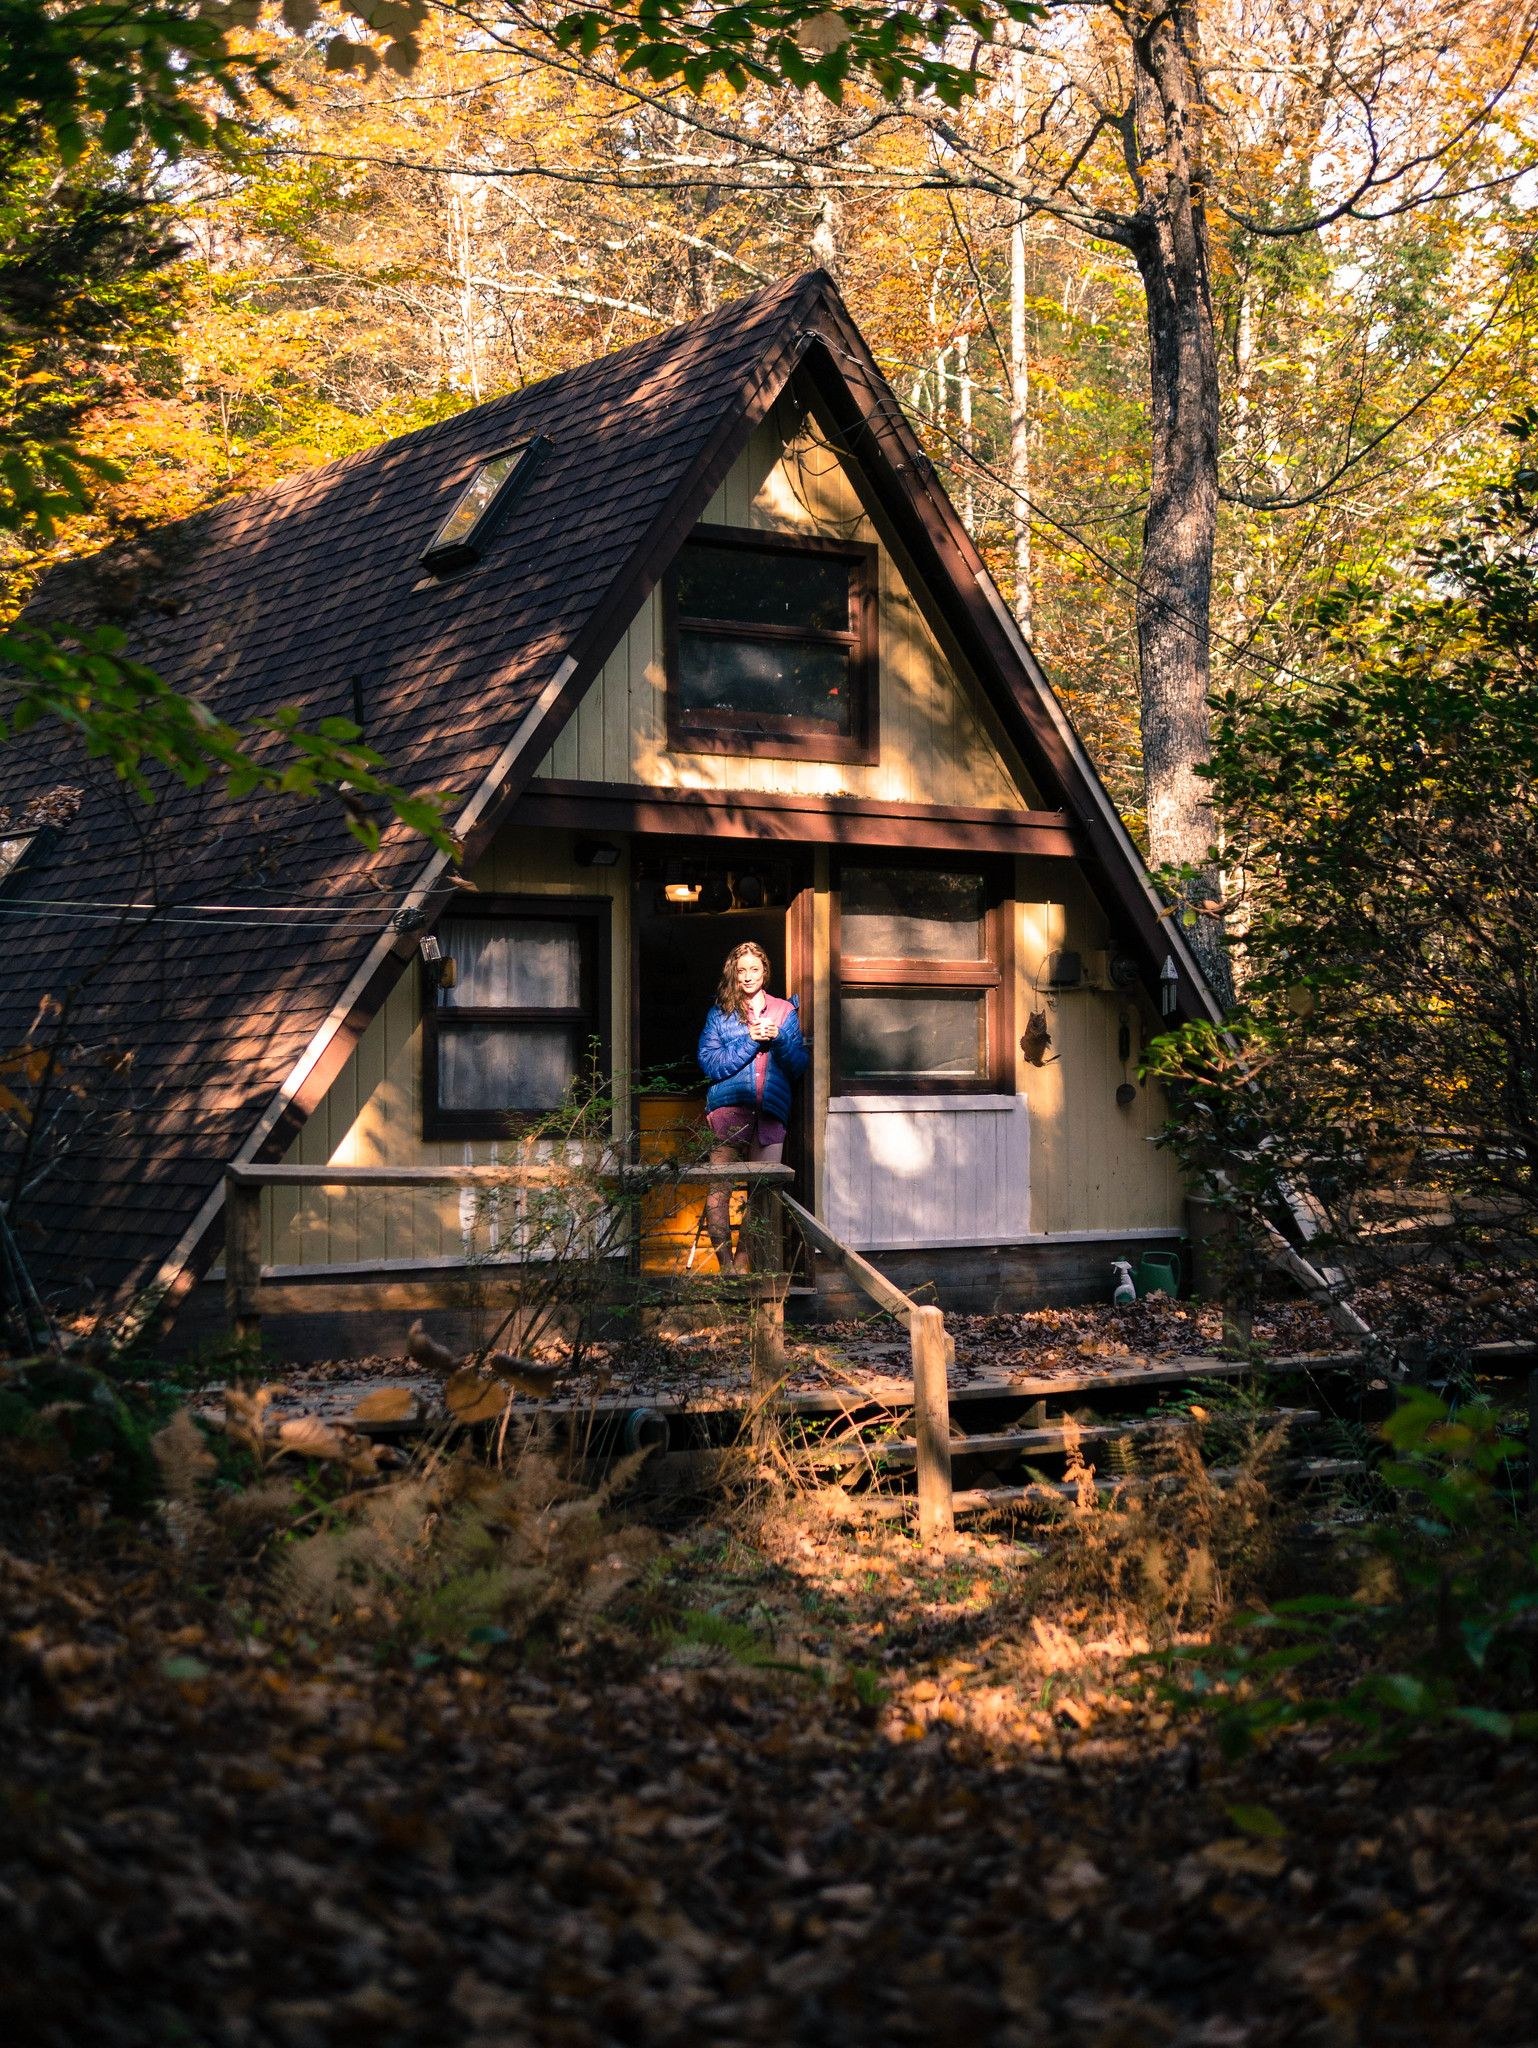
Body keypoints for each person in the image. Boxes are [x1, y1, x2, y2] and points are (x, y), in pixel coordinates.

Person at [696, 941, 808, 1273]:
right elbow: (710, 1064)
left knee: (762, 1195)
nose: (748, 976)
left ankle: (743, 1266)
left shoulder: (784, 1012)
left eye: (754, 969)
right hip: (729, 1113)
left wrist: (781, 1040)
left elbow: (798, 1065)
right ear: (734, 973)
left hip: (771, 1113)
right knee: (720, 1190)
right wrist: (750, 1040)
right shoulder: (720, 1013)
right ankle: (725, 1265)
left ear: (765, 972)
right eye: (741, 970)